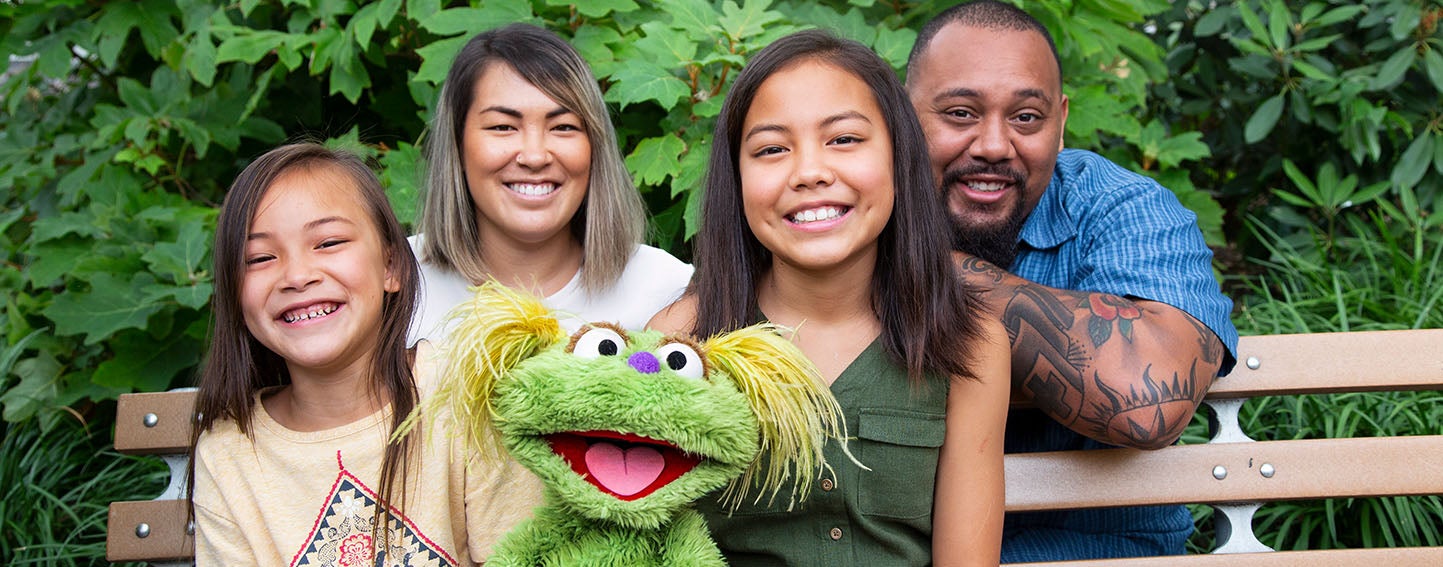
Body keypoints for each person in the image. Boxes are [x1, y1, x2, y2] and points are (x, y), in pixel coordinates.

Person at [650, 30, 1010, 566]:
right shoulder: (682, 339)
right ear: (737, 177)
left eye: (843, 139)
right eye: (772, 149)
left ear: (898, 157)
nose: (810, 172)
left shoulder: (970, 344)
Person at [905, 1, 1241, 562]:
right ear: (899, 114)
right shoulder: (848, 204)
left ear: (1060, 123)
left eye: (1026, 118)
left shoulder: (1120, 211)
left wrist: (920, 265)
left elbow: (1143, 399)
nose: (993, 145)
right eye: (960, 113)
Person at [188, 143, 537, 565]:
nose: (297, 276)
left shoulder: (466, 390)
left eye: (329, 242)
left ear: (392, 265)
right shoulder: (229, 453)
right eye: (260, 257)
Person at [411, 23, 692, 342]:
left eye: (563, 127)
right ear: (458, 146)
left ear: (594, 147)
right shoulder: (393, 285)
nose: (534, 156)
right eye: (503, 127)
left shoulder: (669, 292)